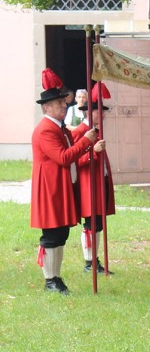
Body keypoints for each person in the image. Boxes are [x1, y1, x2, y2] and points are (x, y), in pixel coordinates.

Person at [31, 69, 101, 294]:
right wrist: (87, 142)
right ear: (46, 107)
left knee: (61, 233)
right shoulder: (45, 130)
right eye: (59, 103)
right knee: (52, 234)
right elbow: (63, 157)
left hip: (60, 187)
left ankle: (56, 277)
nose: (64, 106)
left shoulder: (58, 127)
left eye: (63, 102)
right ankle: (50, 279)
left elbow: (71, 147)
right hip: (50, 188)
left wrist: (85, 139)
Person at [72, 87, 116, 275]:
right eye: (100, 112)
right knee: (91, 224)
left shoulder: (96, 130)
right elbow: (75, 159)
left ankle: (94, 259)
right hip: (88, 183)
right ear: (91, 113)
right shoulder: (81, 131)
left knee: (97, 223)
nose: (103, 115)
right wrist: (94, 152)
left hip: (99, 181)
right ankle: (89, 261)